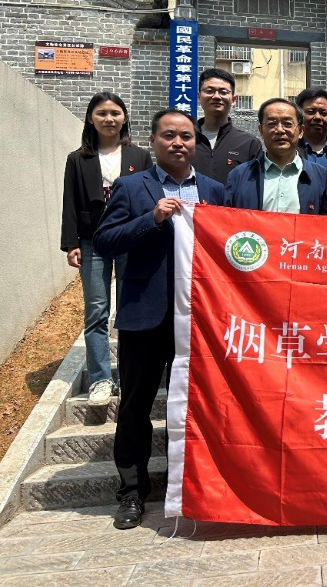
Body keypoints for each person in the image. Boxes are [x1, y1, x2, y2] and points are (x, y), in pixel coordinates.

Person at [94, 109, 224, 530]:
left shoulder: (214, 191)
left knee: (192, 407)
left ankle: (186, 485)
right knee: (135, 405)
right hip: (145, 317)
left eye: (186, 136)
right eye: (169, 135)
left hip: (200, 319)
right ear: (152, 141)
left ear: (195, 142)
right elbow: (105, 241)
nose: (178, 143)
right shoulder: (132, 187)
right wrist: (150, 219)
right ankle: (132, 493)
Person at [60, 92, 152, 407]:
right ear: (91, 118)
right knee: (97, 310)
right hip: (92, 240)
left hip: (130, 238)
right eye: (102, 113)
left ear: (125, 118)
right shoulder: (78, 159)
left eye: (115, 113)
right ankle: (100, 379)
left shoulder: (139, 156)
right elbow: (70, 201)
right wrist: (71, 243)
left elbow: (148, 198)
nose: (109, 119)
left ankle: (128, 375)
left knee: (129, 309)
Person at [225, 98, 327, 214]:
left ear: (301, 131)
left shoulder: (321, 177)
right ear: (261, 130)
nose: (280, 130)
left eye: (288, 124)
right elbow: (228, 220)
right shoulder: (239, 176)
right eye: (271, 124)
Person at [193, 67, 262, 184]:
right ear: (199, 97)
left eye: (223, 92)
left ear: (233, 100)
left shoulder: (248, 144)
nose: (216, 96)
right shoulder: (185, 140)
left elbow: (255, 186)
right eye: (209, 91)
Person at [296, 87, 327, 183]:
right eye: (311, 112)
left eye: (324, 113)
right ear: (299, 117)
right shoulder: (288, 152)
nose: (318, 117)